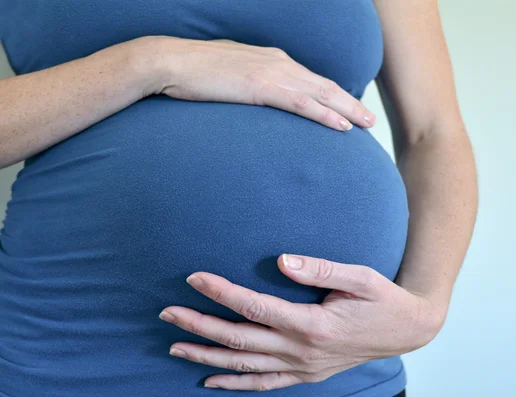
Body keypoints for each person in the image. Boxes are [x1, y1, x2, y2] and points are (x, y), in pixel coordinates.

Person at [0, 0, 477, 396]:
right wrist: (152, 63)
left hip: (334, 365)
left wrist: (425, 308)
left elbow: (432, 133)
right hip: (69, 352)